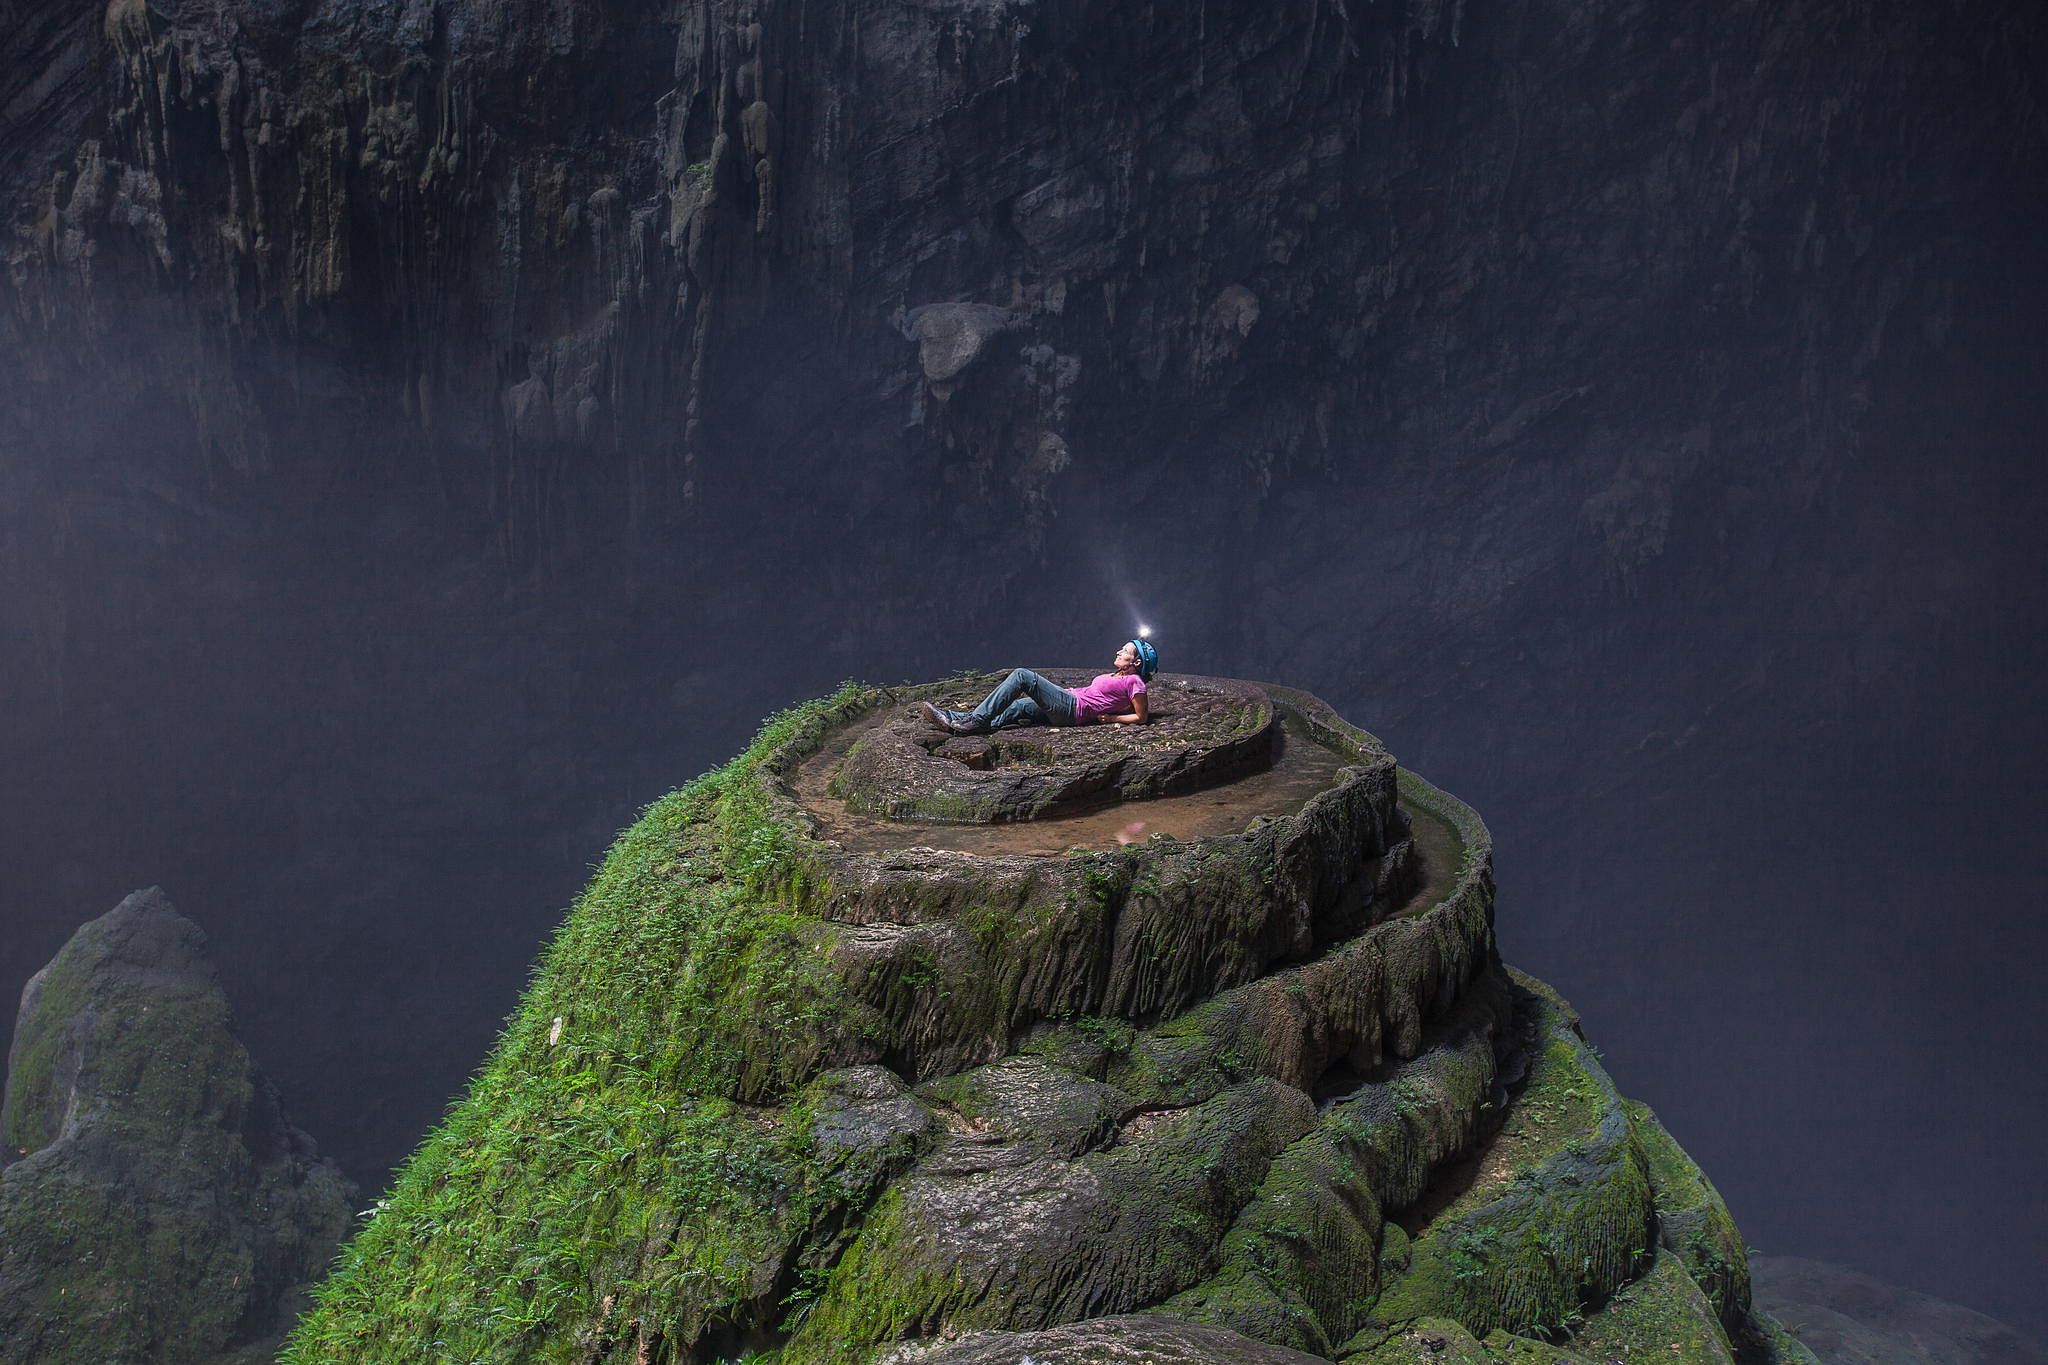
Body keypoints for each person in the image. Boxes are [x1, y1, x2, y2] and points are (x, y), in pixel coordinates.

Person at [922, 639, 1158, 735]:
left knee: (1023, 676)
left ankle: (974, 721)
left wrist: (1113, 718)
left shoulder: (1134, 681)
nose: (1119, 651)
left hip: (1073, 709)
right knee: (1018, 708)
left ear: (1137, 662)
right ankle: (956, 720)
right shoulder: (1118, 674)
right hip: (1069, 700)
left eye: (1125, 651)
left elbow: (1142, 716)